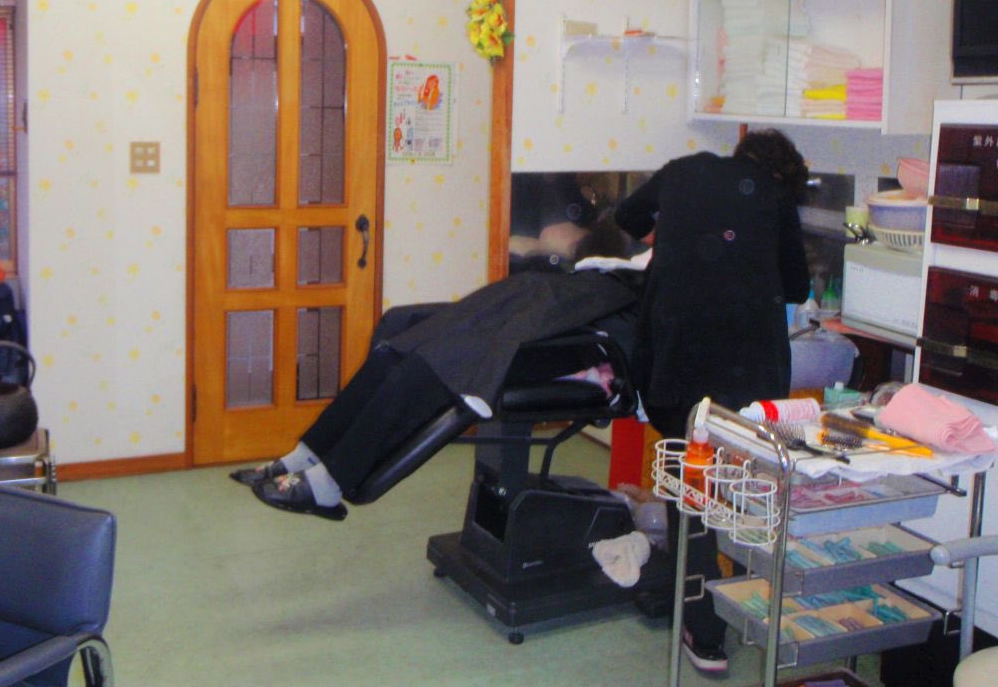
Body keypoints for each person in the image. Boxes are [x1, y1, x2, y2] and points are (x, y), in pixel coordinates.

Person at [231, 219, 645, 522]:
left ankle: (327, 485)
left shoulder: (619, 291)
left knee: (416, 374)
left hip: (544, 349)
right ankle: (305, 456)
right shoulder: (577, 279)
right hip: (518, 334)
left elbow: (611, 347)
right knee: (390, 354)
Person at [613, 129, 810, 674]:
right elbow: (798, 288)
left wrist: (673, 239)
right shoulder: (774, 194)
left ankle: (704, 634)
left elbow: (627, 215)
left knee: (690, 487)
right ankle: (751, 613)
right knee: (749, 489)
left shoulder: (684, 170)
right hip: (750, 374)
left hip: (678, 361)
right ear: (781, 175)